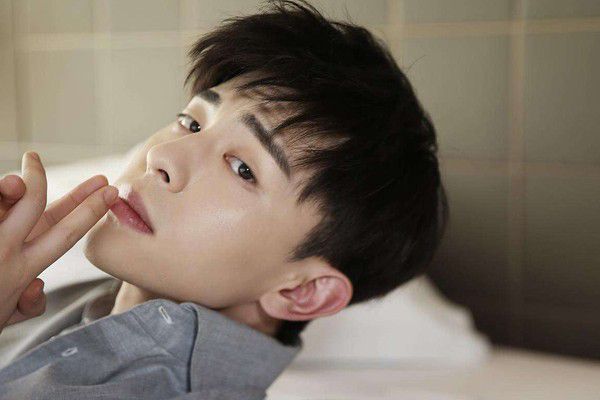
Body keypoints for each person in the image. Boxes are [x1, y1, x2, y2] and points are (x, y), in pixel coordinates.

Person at [0, 0, 448, 398]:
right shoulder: (50, 301)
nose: (162, 155)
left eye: (243, 169)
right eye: (192, 123)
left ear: (301, 291)